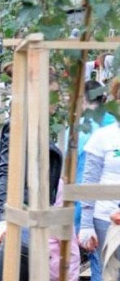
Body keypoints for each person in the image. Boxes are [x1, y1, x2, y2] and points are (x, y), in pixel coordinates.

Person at [0, 71, 79, 280]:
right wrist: (5, 219)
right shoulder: (20, 125)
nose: (57, 101)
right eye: (54, 94)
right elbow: (5, 171)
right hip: (23, 221)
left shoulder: (37, 125)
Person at [71, 80, 116, 281]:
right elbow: (88, 177)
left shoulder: (81, 129)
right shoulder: (103, 131)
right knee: (103, 267)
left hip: (89, 209)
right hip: (103, 215)